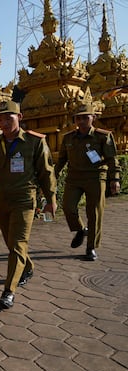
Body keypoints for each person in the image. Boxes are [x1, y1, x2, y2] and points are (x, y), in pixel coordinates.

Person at [0, 100, 57, 309]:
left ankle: (9, 291)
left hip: (24, 199)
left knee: (17, 244)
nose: (3, 122)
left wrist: (51, 199)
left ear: (19, 117)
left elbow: (46, 172)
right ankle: (27, 267)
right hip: (1, 199)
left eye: (8, 118)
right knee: (11, 243)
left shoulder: (34, 142)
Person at [54, 102, 121, 261]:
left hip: (96, 177)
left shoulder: (102, 136)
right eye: (78, 118)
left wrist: (115, 179)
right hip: (74, 178)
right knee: (68, 207)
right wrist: (53, 176)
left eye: (85, 118)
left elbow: (112, 159)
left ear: (94, 118)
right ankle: (80, 229)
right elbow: (62, 159)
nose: (81, 121)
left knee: (95, 213)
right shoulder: (68, 137)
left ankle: (91, 247)